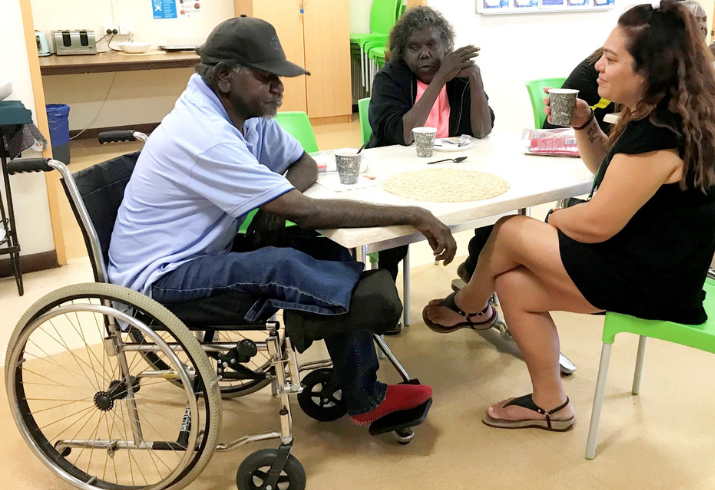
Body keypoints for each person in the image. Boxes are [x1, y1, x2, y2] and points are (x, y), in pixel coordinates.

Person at [108, 17, 458, 429]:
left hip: (203, 251)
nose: (279, 87)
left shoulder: (246, 118)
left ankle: (359, 381)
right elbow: (307, 209)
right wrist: (413, 214)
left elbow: (302, 162)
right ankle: (350, 315)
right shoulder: (204, 134)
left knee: (325, 248)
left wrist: (268, 207)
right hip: (161, 276)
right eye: (266, 77)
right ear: (224, 77)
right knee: (282, 264)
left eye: (280, 77)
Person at [424, 0, 715, 431]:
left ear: (649, 70)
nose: (597, 65)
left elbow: (597, 224)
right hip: (649, 264)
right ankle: (550, 405)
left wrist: (554, 221)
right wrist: (584, 124)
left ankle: (468, 306)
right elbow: (607, 173)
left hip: (652, 279)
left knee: (511, 230)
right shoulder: (660, 113)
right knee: (512, 283)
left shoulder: (662, 134)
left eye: (611, 59)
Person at [367, 5, 495, 321]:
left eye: (432, 46)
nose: (424, 54)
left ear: (446, 48)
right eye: (414, 47)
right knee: (395, 230)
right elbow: (403, 133)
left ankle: (475, 276)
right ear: (401, 52)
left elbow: (481, 130)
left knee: (495, 214)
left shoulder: (460, 79)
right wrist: (440, 78)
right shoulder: (390, 79)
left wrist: (475, 79)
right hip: (396, 175)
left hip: (450, 171)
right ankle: (386, 301)